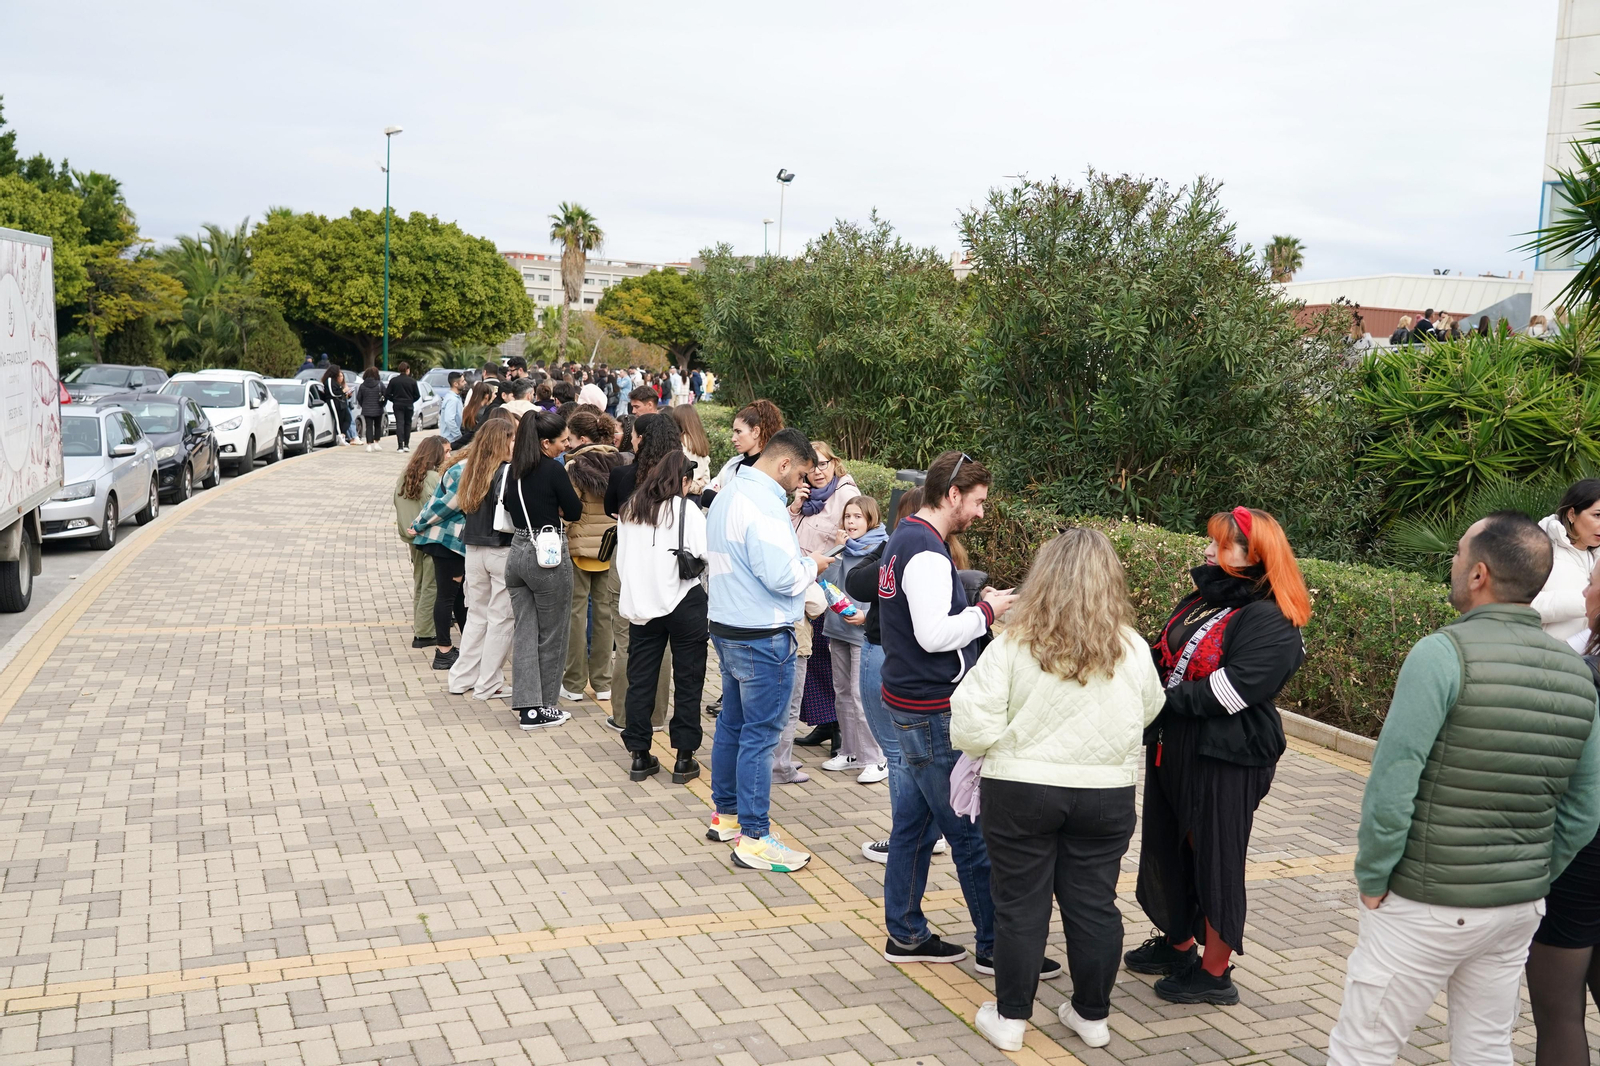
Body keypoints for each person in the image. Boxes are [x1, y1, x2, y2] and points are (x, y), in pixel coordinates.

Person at [1326, 511, 1600, 1066]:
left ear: (1478, 574)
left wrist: (1374, 875)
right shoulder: (1578, 673)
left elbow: (1393, 781)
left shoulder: (1441, 653)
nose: (1451, 563)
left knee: (1365, 1048)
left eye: (1456, 553)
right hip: (1516, 907)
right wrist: (1534, 874)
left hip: (1427, 900)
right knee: (1485, 1047)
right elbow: (1583, 808)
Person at [950, 529, 1166, 1052]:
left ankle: (1010, 1019)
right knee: (1094, 904)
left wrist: (1012, 741)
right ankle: (1092, 1017)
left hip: (1022, 789)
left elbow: (971, 725)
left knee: (1020, 904)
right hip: (1105, 793)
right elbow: (1151, 709)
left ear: (1043, 578)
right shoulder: (1132, 647)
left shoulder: (1014, 644)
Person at [1127, 507, 1310, 1005]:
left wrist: (1154, 701)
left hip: (1227, 753)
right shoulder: (1207, 597)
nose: (1208, 551)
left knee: (1216, 855)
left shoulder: (1272, 617)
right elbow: (1163, 654)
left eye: (1220, 545)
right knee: (1169, 842)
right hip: (1176, 741)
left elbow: (1232, 691)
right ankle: (1179, 942)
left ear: (1254, 556)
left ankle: (1214, 972)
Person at [877, 451, 1018, 969]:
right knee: (968, 832)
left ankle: (907, 934)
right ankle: (994, 946)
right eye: (978, 502)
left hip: (911, 702)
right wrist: (986, 611)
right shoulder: (929, 552)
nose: (981, 513)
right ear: (952, 494)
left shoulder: (906, 536)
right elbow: (934, 634)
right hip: (932, 711)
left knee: (913, 828)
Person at [704, 428, 835, 872]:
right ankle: (755, 838)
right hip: (762, 633)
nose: (802, 483)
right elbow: (781, 577)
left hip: (727, 625)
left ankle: (727, 817)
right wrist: (811, 565)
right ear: (783, 464)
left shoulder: (729, 492)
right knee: (759, 737)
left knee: (734, 725)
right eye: (800, 473)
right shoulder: (764, 505)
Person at [846, 488, 950, 863]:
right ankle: (929, 833)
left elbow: (856, 582)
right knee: (918, 755)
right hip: (924, 670)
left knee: (899, 754)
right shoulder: (941, 552)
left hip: (885, 652)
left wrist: (885, 550)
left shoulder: (903, 550)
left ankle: (907, 839)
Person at [1528, 565, 1600, 1066]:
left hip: (1581, 854)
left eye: (1595, 581)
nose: (1585, 589)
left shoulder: (1583, 677)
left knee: (1559, 1013)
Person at [616, 451, 708, 782]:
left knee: (640, 678)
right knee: (689, 678)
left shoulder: (630, 509)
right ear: (682, 479)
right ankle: (684, 757)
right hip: (685, 600)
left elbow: (621, 561)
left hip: (643, 605)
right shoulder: (688, 510)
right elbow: (703, 554)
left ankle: (640, 755)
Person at [502, 411, 583, 731]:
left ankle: (526, 706)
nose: (567, 446)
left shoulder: (512, 471)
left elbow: (509, 506)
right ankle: (545, 705)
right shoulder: (554, 469)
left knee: (524, 632)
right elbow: (574, 511)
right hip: (547, 552)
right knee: (553, 634)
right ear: (546, 443)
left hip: (517, 553)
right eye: (563, 441)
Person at [446, 419, 517, 701]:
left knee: (476, 615)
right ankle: (489, 682)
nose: (515, 444)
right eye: (511, 439)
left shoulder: (470, 470)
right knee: (501, 618)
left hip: (473, 548)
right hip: (501, 548)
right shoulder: (507, 472)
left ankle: (461, 677)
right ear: (502, 442)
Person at [820, 495, 888, 783]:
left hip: (863, 632)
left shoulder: (880, 547)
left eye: (857, 517)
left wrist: (865, 615)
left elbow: (884, 591)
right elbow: (832, 583)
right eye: (848, 516)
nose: (851, 522)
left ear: (870, 519)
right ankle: (849, 751)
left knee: (862, 696)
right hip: (837, 628)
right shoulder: (844, 549)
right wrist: (835, 553)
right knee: (842, 693)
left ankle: (876, 758)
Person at [561, 410, 627, 703]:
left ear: (582, 438)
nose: (567, 444)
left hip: (579, 549)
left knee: (575, 615)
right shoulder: (623, 461)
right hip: (611, 547)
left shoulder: (575, 465)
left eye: (571, 438)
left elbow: (568, 508)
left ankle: (574, 683)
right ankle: (602, 683)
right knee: (605, 615)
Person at [408, 453, 470, 670]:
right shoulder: (465, 469)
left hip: (450, 541)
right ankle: (443, 651)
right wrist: (419, 524)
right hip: (447, 541)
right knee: (447, 595)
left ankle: (464, 647)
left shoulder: (466, 466)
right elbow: (445, 505)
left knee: (457, 596)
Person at [394, 437, 452, 650]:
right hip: (431, 537)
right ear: (435, 454)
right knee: (431, 585)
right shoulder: (434, 478)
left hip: (411, 537)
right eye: (446, 452)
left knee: (420, 582)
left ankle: (422, 626)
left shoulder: (406, 475)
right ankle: (425, 633)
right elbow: (438, 508)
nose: (449, 456)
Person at [1533, 479, 1600, 649]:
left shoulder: (1596, 557)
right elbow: (1522, 605)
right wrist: (1590, 601)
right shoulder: (1538, 547)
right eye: (1597, 515)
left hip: (1585, 669)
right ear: (1571, 514)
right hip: (1543, 661)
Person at [701, 399, 783, 509]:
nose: (733, 439)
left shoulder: (771, 470)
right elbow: (706, 496)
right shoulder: (733, 464)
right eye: (734, 432)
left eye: (738, 432)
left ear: (756, 432)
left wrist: (720, 497)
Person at [671, 405, 712, 496]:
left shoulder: (679, 443)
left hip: (683, 492)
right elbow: (706, 478)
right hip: (697, 494)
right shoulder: (700, 442)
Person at [385, 362, 421, 452]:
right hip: (408, 405)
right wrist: (411, 400)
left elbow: (387, 394)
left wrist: (394, 400)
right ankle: (406, 445)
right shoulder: (412, 381)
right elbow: (417, 395)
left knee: (399, 424)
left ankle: (400, 445)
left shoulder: (394, 381)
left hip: (397, 404)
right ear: (407, 370)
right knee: (407, 424)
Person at [454, 382, 496, 449]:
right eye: (493, 394)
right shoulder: (484, 412)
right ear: (487, 396)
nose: (494, 396)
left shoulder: (467, 409)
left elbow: (463, 428)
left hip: (467, 444)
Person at [321, 364, 355, 446]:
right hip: (333, 402)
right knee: (338, 419)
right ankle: (340, 437)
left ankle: (342, 435)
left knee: (347, 418)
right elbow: (332, 393)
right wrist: (343, 391)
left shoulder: (335, 381)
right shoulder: (329, 380)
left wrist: (347, 393)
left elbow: (338, 392)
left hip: (341, 402)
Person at [356, 367, 387, 451]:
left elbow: (359, 397)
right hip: (378, 408)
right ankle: (376, 443)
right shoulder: (380, 384)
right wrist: (382, 405)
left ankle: (369, 445)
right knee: (377, 426)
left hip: (366, 409)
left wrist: (364, 405)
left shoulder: (362, 385)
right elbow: (385, 395)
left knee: (368, 426)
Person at [440, 372, 466, 444]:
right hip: (450, 440)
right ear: (455, 384)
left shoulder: (455, 397)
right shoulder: (452, 400)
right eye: (463, 381)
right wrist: (459, 437)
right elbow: (449, 420)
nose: (465, 383)